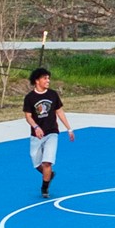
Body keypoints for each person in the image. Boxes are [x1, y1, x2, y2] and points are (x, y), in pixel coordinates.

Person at [21, 67, 72, 196]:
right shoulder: (30, 98)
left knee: (47, 162)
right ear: (37, 81)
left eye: (48, 78)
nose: (48, 80)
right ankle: (49, 174)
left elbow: (59, 111)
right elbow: (28, 116)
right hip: (36, 135)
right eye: (45, 78)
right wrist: (36, 127)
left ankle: (44, 188)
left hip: (52, 133)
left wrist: (69, 128)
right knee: (37, 163)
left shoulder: (53, 94)